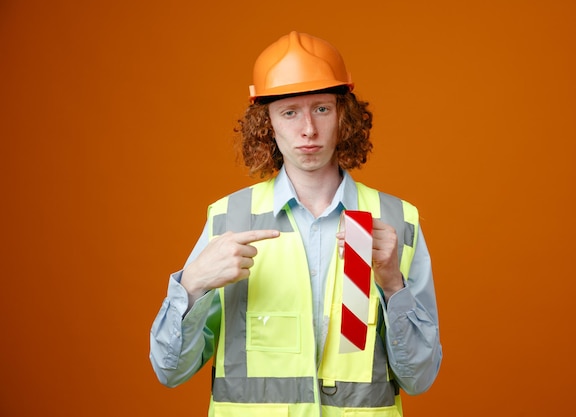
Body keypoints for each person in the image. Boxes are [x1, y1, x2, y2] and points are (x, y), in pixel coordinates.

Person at [150, 31, 442, 417]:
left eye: (321, 108)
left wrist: (393, 285)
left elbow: (419, 379)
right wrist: (191, 286)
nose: (308, 129)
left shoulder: (396, 221)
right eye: (290, 112)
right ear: (266, 122)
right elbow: (170, 371)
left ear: (343, 116)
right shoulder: (228, 220)